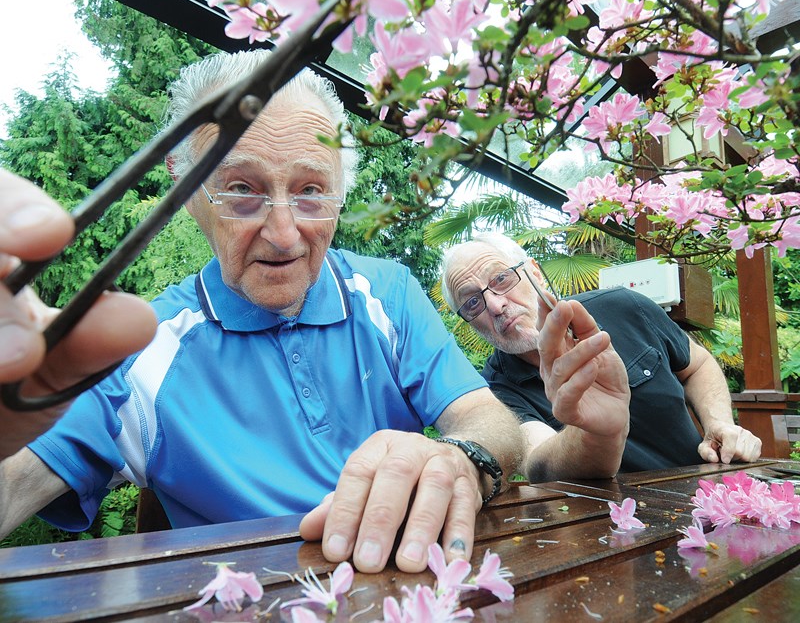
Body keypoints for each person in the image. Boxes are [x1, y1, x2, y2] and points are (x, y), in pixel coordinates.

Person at [0, 50, 524, 574]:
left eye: (311, 191)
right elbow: (13, 486)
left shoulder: (385, 293)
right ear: (186, 189)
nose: (282, 233)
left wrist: (462, 458)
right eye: (241, 189)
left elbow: (488, 419)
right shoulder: (141, 348)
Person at [440, 233, 762, 481]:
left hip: (712, 487)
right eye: (471, 303)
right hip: (613, 533)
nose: (495, 305)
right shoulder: (495, 389)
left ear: (534, 273)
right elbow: (538, 462)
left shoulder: (624, 306)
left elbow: (697, 365)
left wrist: (719, 423)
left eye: (501, 279)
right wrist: (597, 432)